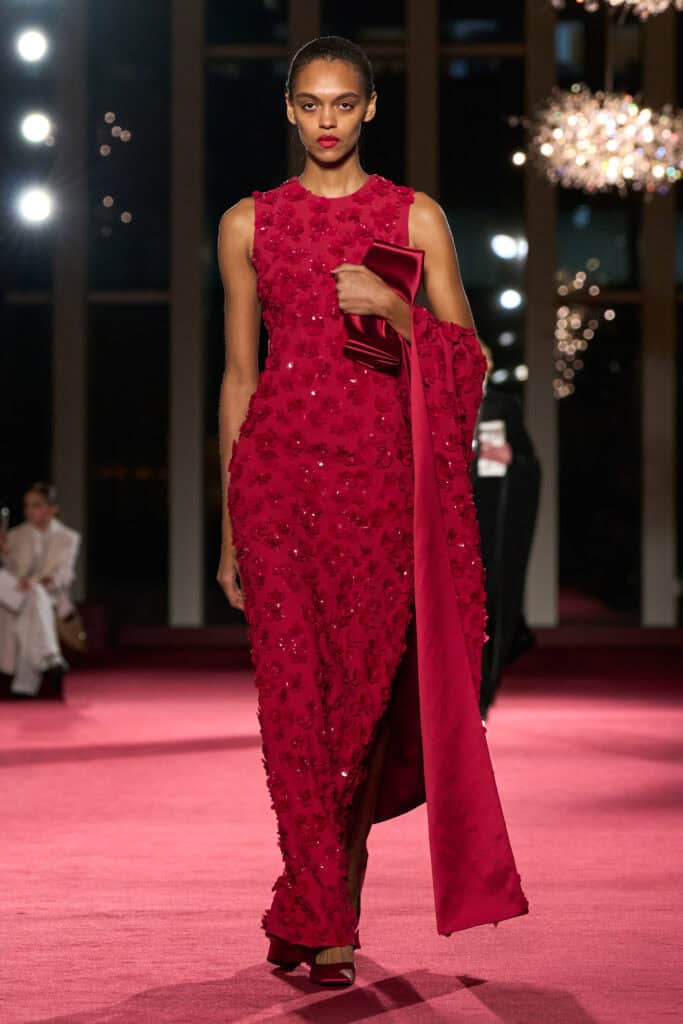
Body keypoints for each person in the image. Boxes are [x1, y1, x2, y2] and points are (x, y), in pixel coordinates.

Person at [216, 36, 528, 987]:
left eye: (342, 103)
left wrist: (398, 315)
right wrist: (227, 528)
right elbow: (239, 378)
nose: (326, 120)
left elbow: (471, 363)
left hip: (379, 496)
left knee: (354, 708)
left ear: (369, 110)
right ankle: (323, 915)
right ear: (288, 109)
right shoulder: (248, 224)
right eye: (310, 103)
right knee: (290, 708)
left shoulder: (412, 217)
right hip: (274, 488)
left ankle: (317, 898)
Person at [472, 346, 541, 721]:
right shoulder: (434, 398)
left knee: (488, 604)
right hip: (445, 517)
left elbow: (528, 462)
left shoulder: (501, 406)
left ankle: (481, 693)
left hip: (489, 520)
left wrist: (511, 459)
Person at [0, 481, 80, 699]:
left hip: (49, 598)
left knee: (34, 600)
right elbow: (10, 574)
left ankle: (24, 686)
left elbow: (65, 575)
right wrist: (4, 554)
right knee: (26, 594)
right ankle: (50, 657)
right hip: (14, 596)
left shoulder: (68, 537)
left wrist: (35, 583)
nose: (29, 510)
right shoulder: (15, 535)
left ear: (52, 509)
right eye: (27, 505)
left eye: (36, 505)